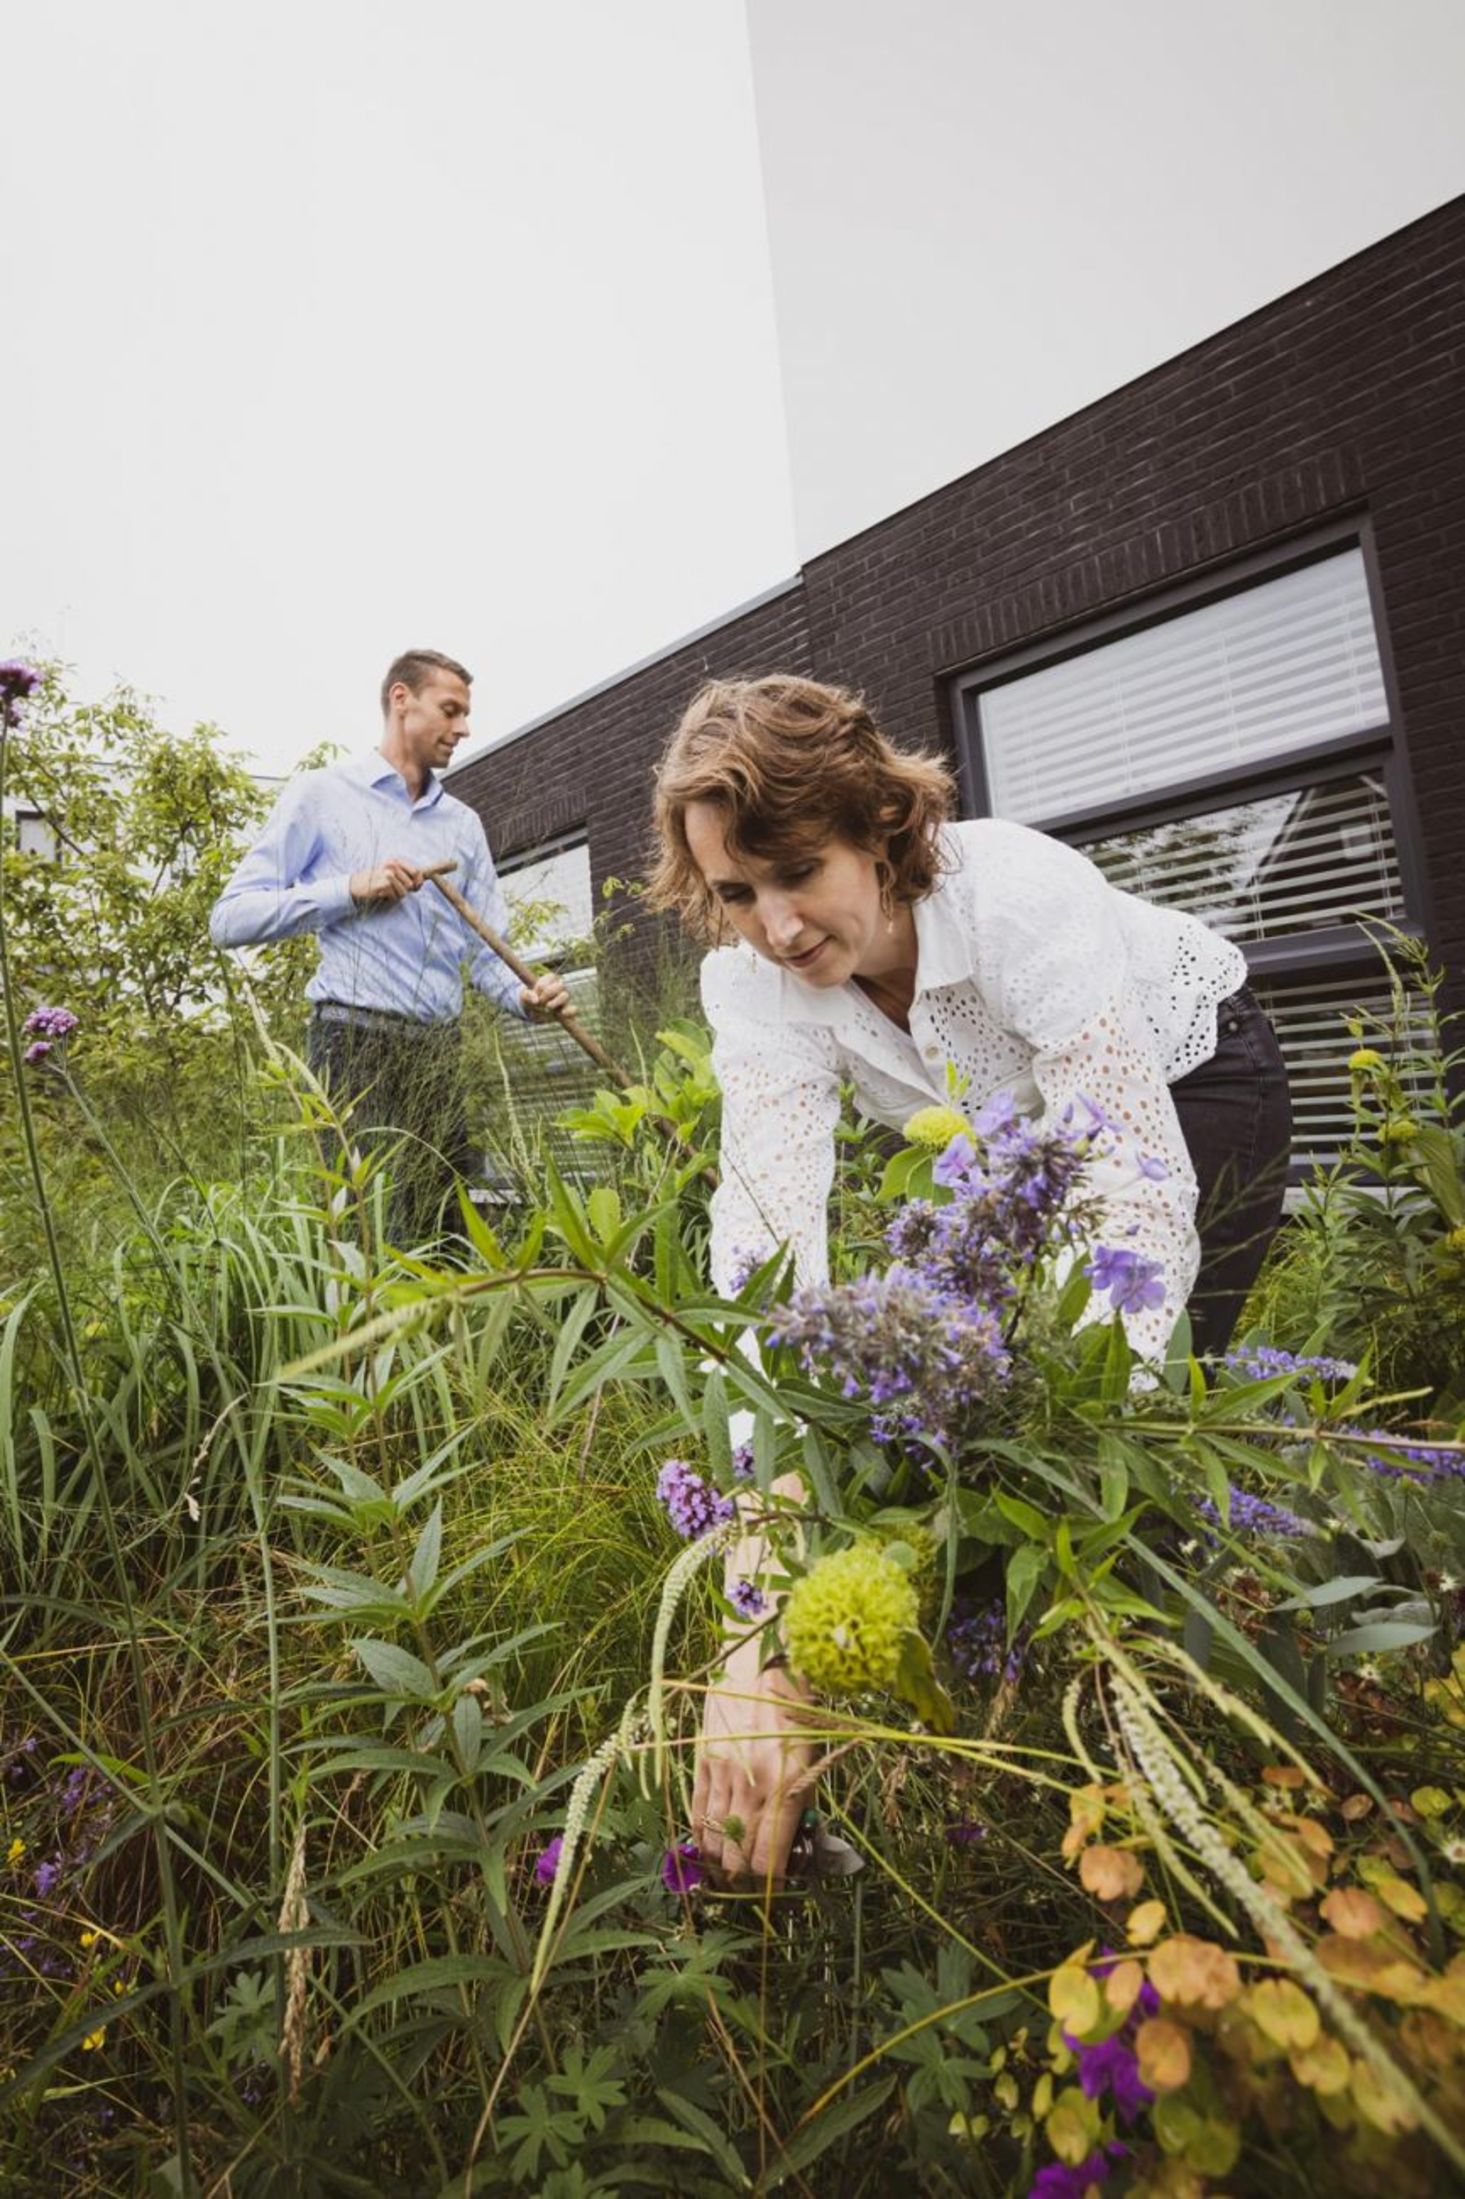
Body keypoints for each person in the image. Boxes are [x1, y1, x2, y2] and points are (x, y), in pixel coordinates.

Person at [647, 673, 1292, 1883]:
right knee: (945, 1429)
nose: (775, 927)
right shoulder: (750, 981)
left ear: (879, 829)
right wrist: (756, 1572)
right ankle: (928, 1725)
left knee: (1100, 1434)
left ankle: (1161, 1726)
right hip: (1007, 1158)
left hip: (1194, 1090)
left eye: (796, 872)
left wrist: (1060, 1416)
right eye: (736, 892)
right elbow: (764, 1238)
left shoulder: (1016, 895)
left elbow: (1133, 1187)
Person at [210, 648, 570, 1238]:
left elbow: (487, 951)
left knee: (445, 1236)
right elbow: (230, 920)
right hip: (352, 1045)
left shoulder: (462, 826)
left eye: (466, 714)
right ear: (401, 700)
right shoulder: (321, 795)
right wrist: (351, 889)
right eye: (450, 710)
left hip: (437, 1053)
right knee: (372, 1235)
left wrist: (526, 999)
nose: (464, 728)